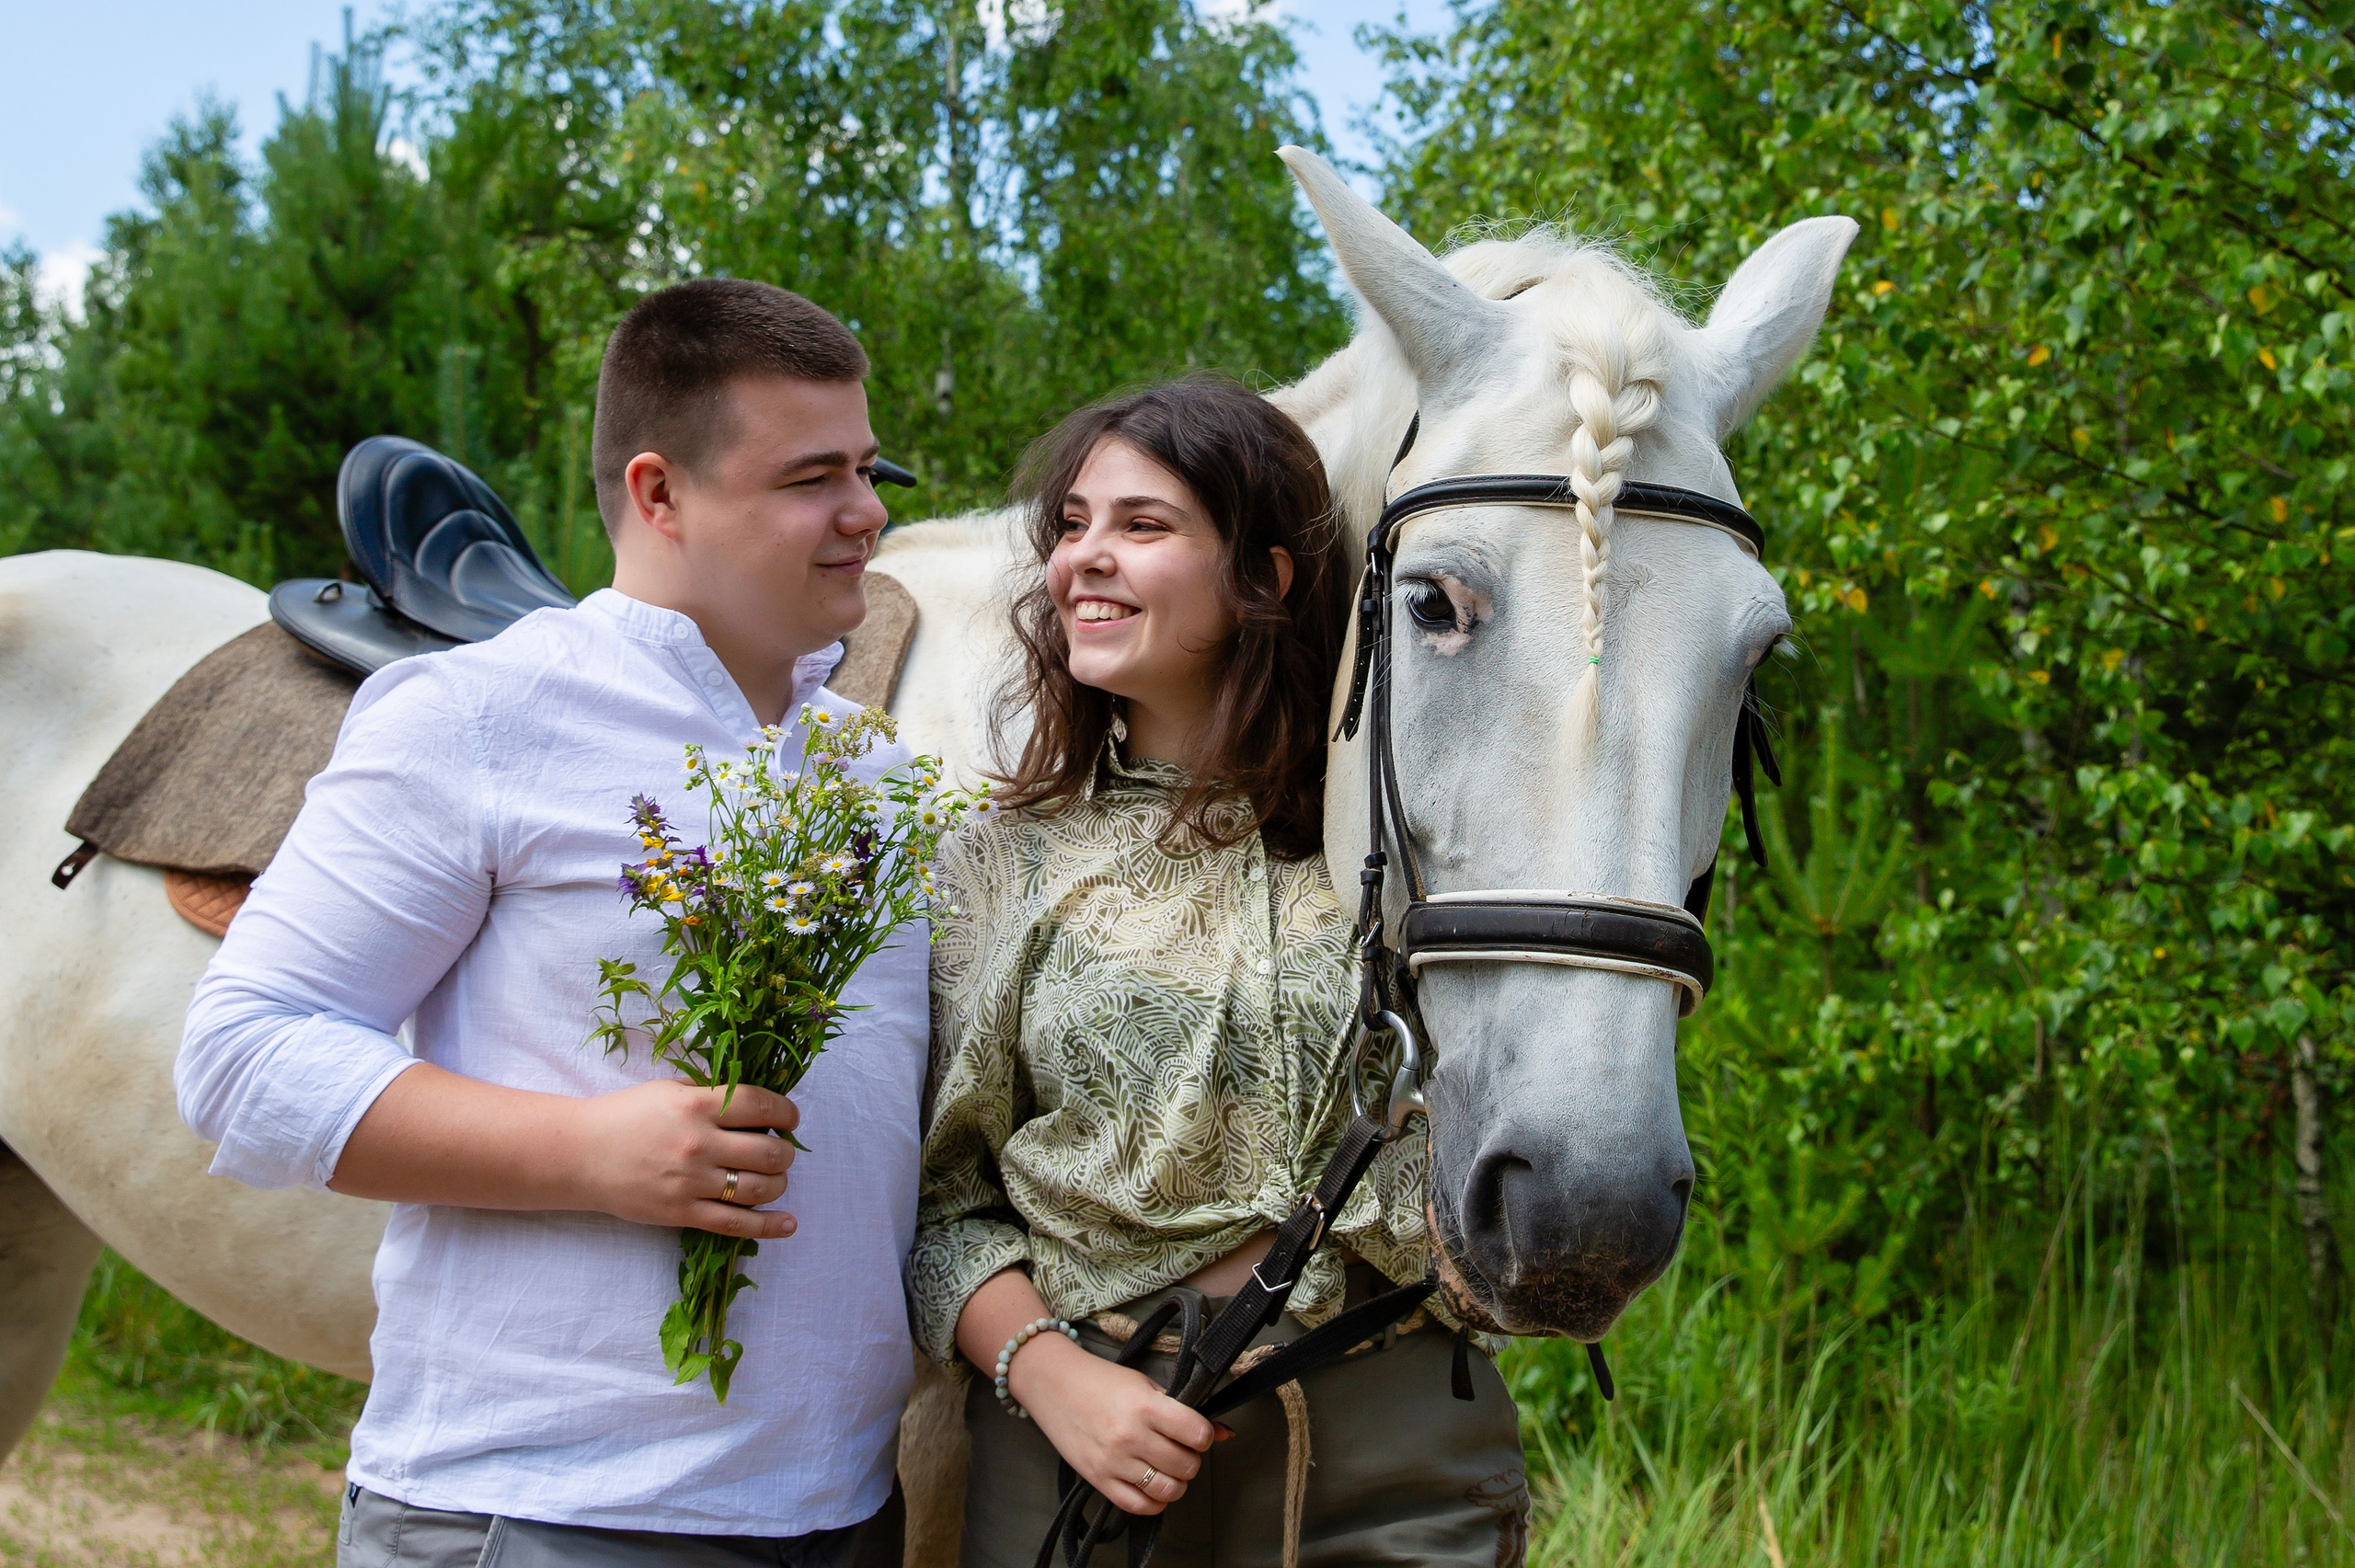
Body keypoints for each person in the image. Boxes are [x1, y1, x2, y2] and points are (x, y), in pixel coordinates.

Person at [178, 279, 923, 1567]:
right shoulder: (474, 715)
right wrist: (589, 1152)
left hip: (844, 1515)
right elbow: (242, 1056)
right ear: (659, 494)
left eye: (868, 467)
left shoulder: (875, 774)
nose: (869, 514)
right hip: (546, 1510)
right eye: (814, 478)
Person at [910, 377, 1529, 1568]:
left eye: (1142, 526)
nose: (1085, 558)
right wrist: (1051, 1377)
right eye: (1073, 526)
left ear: (1266, 577)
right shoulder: (998, 863)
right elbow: (943, 1208)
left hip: (1388, 1450)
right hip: (1080, 1464)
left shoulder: (1396, 854)